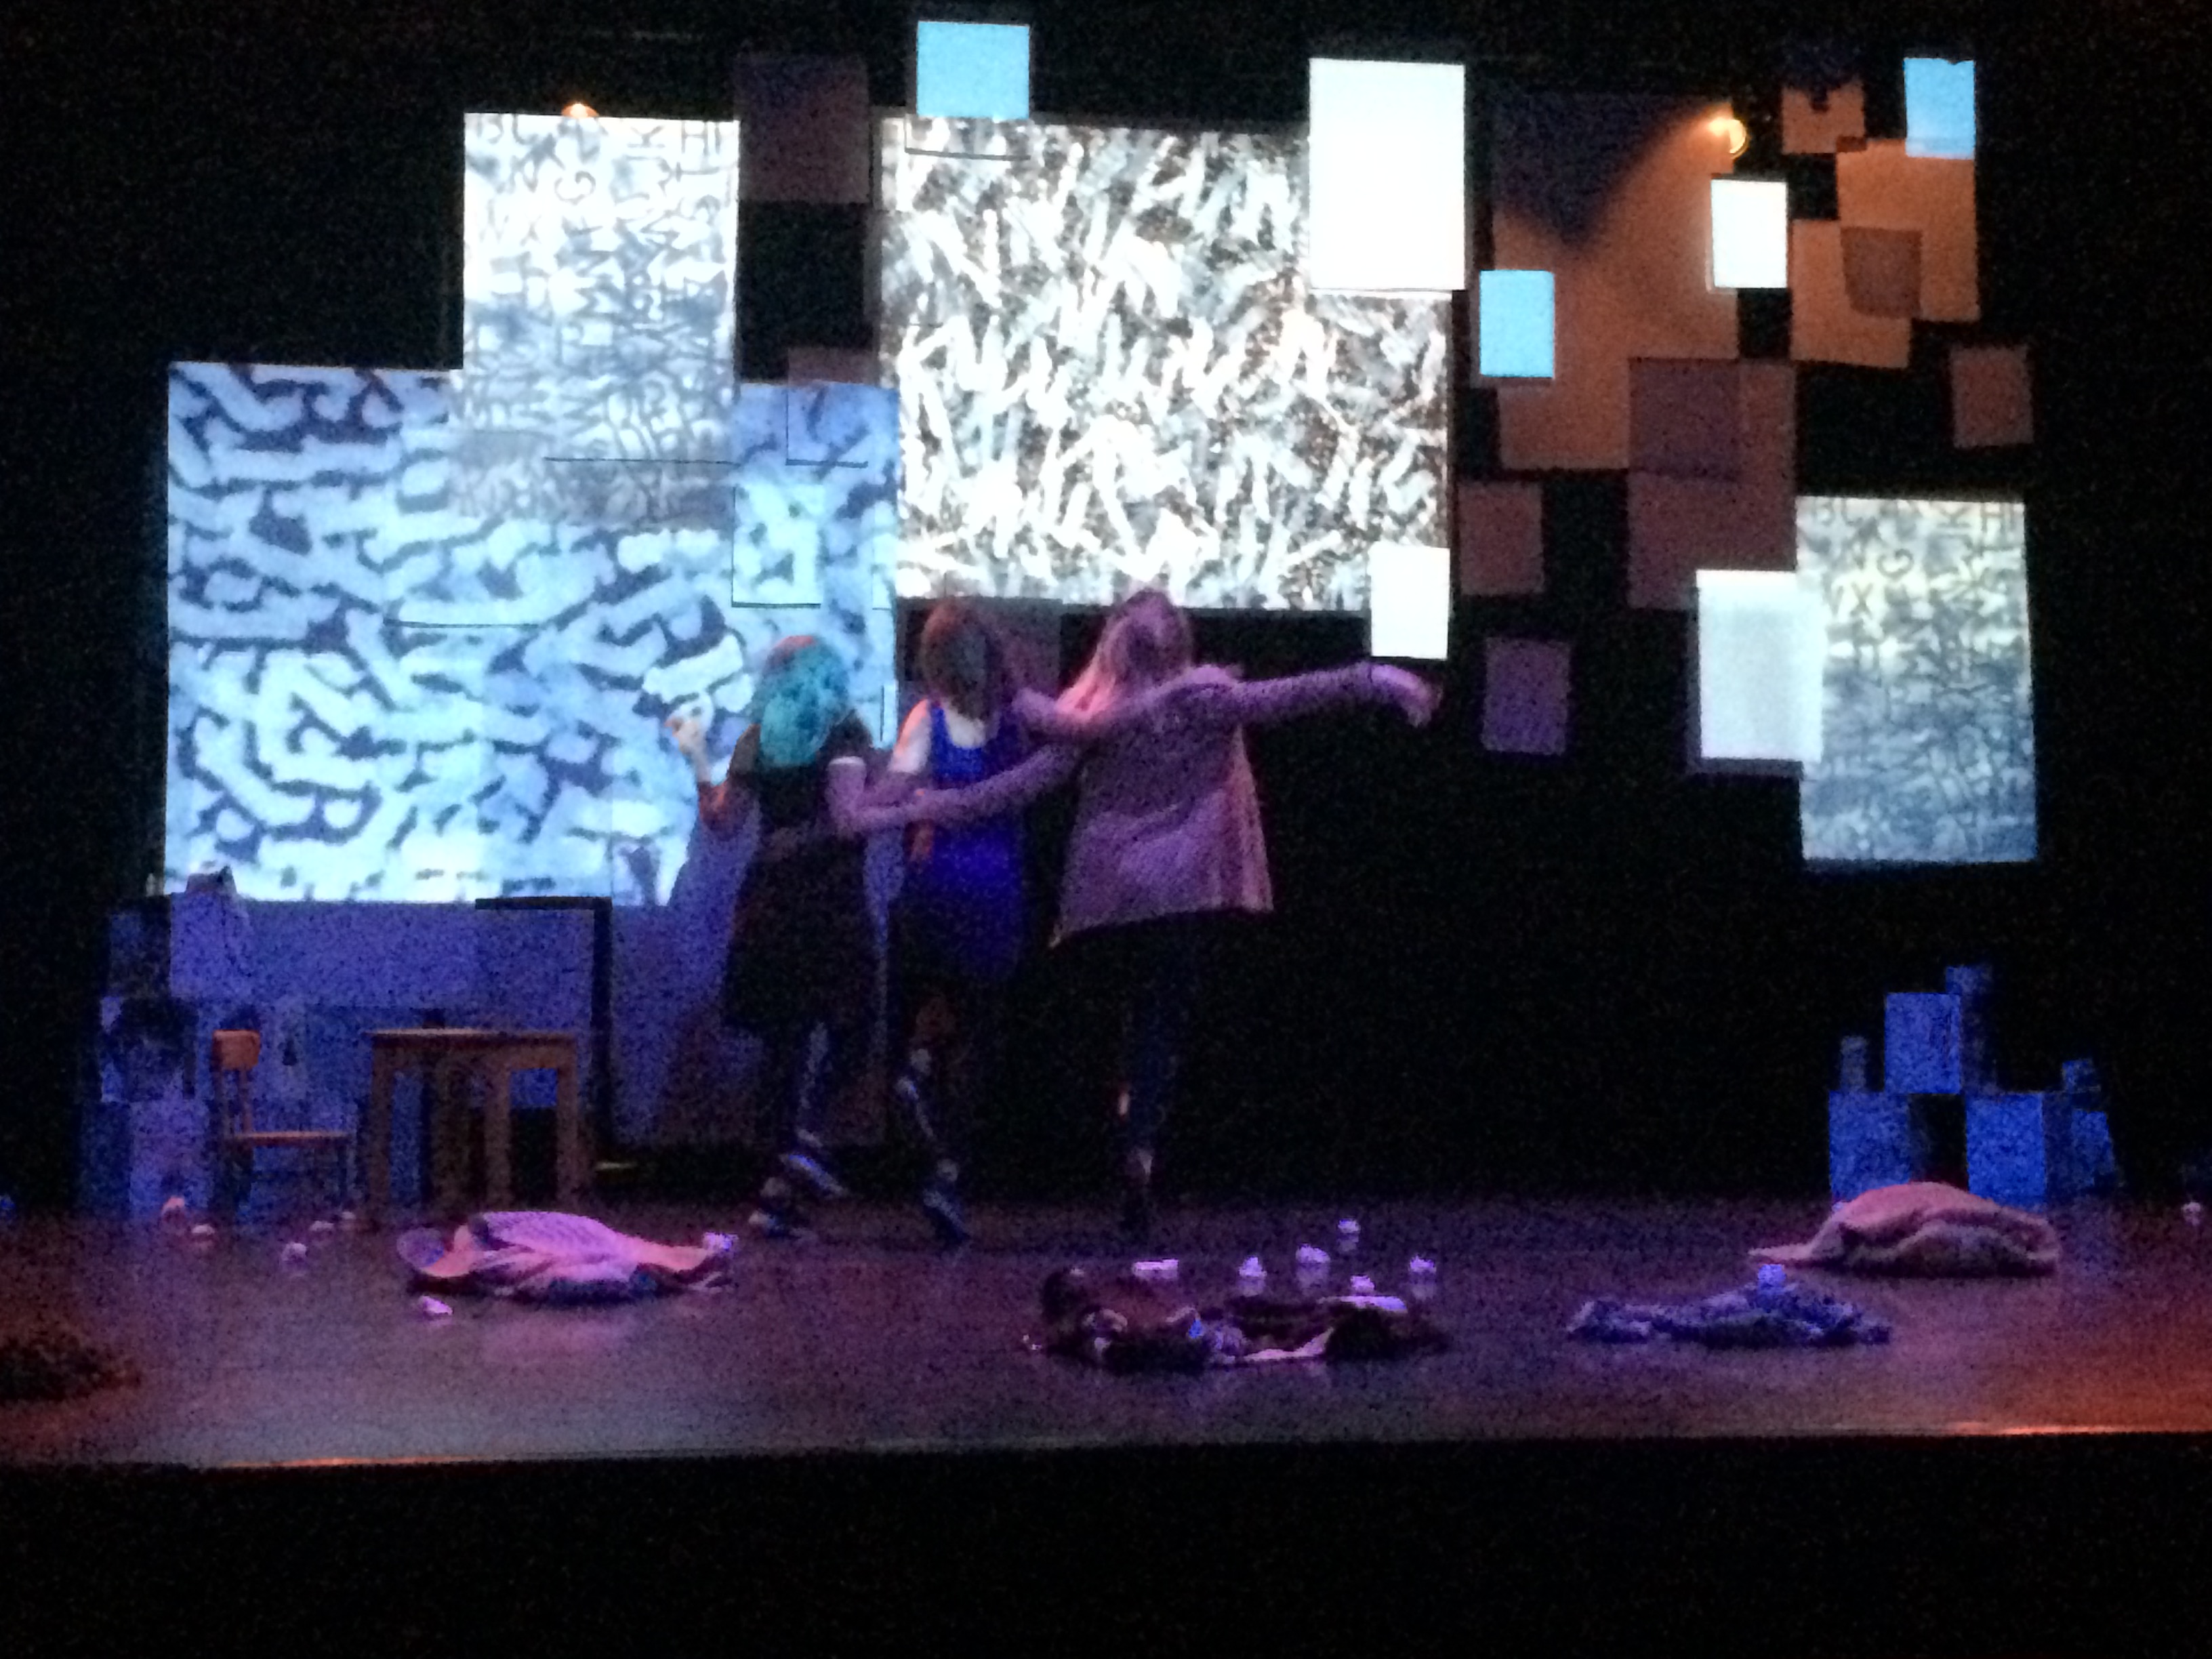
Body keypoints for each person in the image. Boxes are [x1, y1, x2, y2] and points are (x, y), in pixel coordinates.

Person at [894, 588, 1437, 1241]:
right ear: (1179, 642)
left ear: (1113, 646)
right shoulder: (1206, 698)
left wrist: (925, 808)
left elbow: (1023, 784)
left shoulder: (1095, 712)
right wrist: (1379, 678)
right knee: (1157, 1029)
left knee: (1092, 1027)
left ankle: (1035, 1138)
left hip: (1108, 895)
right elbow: (1295, 694)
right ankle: (1139, 1143)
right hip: (1181, 891)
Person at [668, 636, 888, 1240]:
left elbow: (723, 821)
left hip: (770, 903)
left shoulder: (758, 737)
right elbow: (847, 818)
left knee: (783, 1049)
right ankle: (802, 1158)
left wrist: (696, 756)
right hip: (830, 903)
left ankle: (777, 1191)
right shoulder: (844, 732)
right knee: (853, 1031)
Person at [878, 600, 1032, 1247]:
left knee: (925, 998)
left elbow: (891, 795)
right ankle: (949, 1172)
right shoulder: (1019, 715)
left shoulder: (927, 718)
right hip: (994, 886)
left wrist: (850, 804)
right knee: (981, 1033)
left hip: (934, 878)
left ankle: (915, 1064)